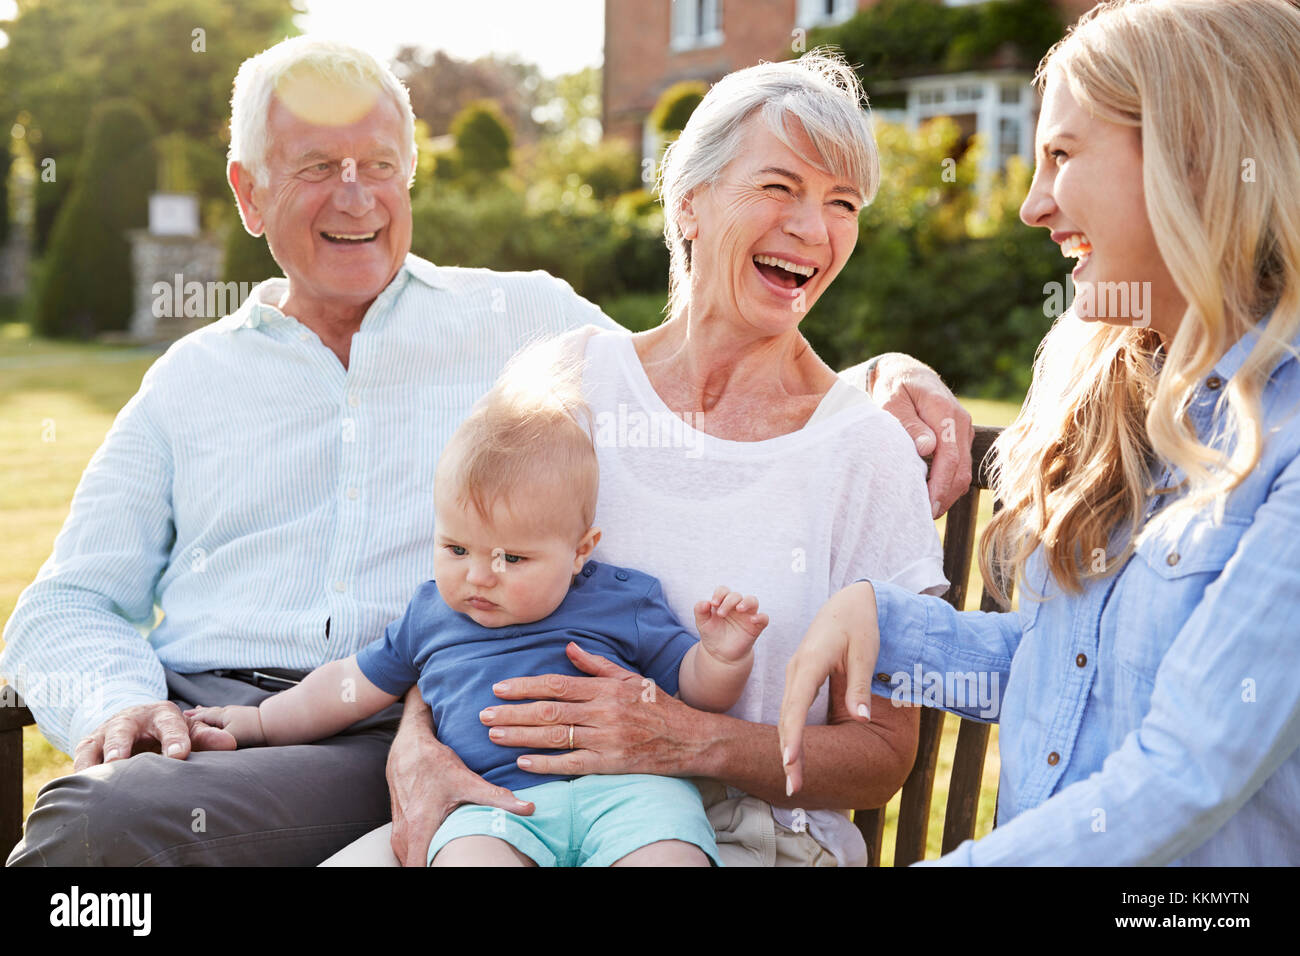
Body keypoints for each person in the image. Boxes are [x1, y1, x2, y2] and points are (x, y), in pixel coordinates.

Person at [2, 37, 969, 866]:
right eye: (317, 168)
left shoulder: (527, 323)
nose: (358, 197)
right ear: (246, 194)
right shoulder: (198, 378)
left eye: (381, 164)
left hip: (454, 749)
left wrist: (883, 372)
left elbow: (735, 362)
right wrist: (128, 705)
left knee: (102, 828)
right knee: (118, 816)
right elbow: (73, 598)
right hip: (257, 726)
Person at [338, 49, 953, 868]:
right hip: (508, 816)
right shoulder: (568, 379)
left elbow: (881, 757)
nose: (813, 228)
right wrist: (416, 746)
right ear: (691, 202)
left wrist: (692, 743)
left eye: (842, 203)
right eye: (779, 187)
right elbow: (466, 601)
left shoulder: (863, 450)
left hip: (746, 840)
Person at [778, 0, 1300, 865]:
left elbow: (1188, 771)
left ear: (1193, 155)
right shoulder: (1138, 395)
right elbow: (1074, 671)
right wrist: (887, 625)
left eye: (1061, 155)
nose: (1032, 206)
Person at [187, 349, 769, 866]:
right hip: (490, 802)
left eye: (512, 558)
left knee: (668, 856)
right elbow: (347, 684)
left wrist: (721, 655)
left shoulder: (622, 598)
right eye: (456, 548)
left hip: (631, 795)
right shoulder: (430, 617)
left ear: (579, 551)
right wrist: (260, 722)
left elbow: (696, 694)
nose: (478, 576)